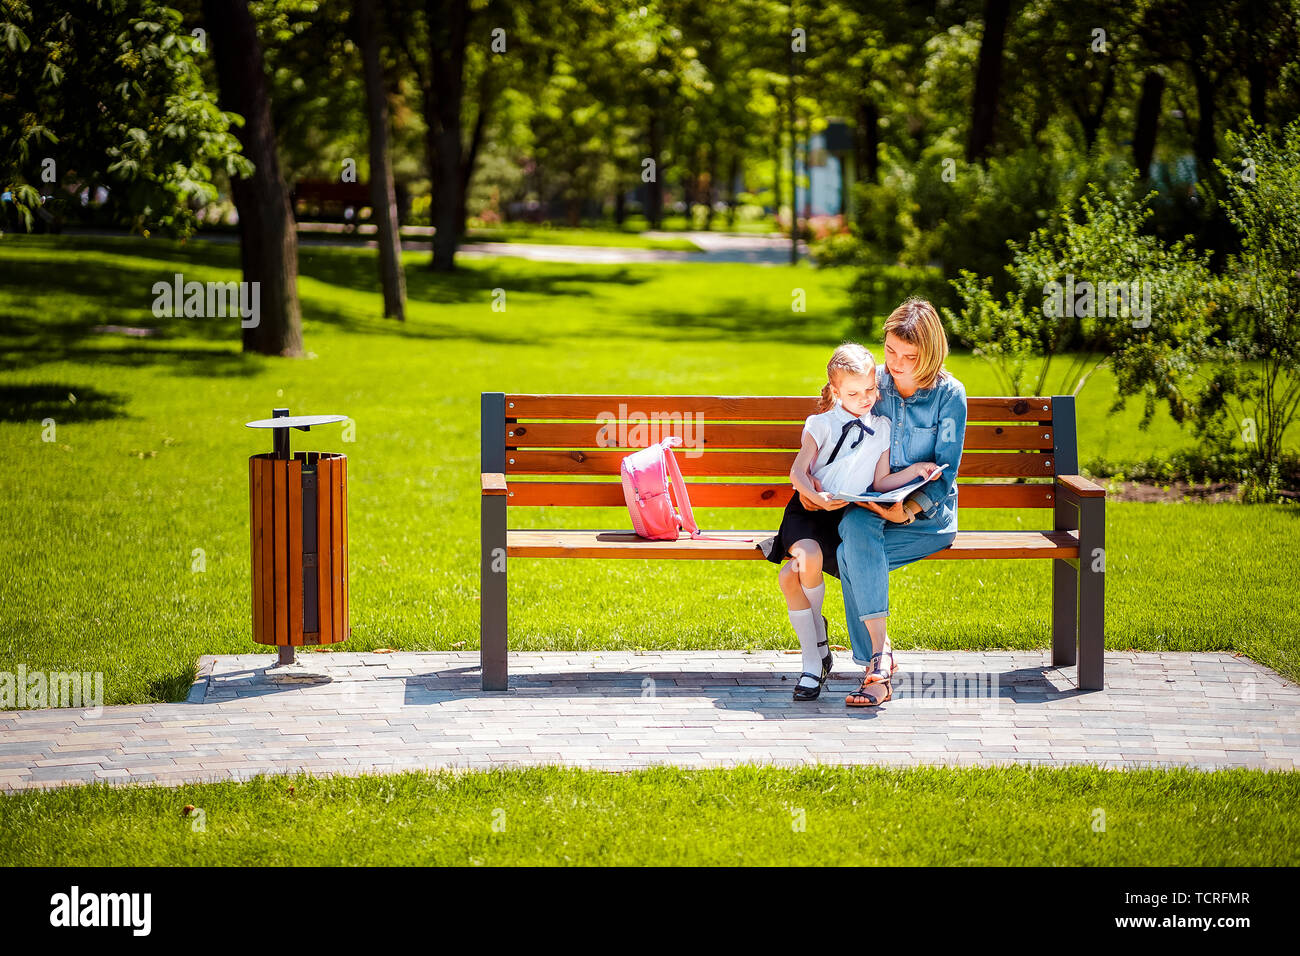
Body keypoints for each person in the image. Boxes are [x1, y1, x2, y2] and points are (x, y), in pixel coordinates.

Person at [798, 298, 967, 707]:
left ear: (930, 353)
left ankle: (876, 663)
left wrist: (908, 509)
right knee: (855, 533)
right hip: (871, 507)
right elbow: (834, 420)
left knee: (855, 556)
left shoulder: (949, 396)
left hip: (927, 517)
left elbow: (946, 470)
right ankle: (880, 660)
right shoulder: (876, 386)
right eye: (890, 350)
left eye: (910, 356)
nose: (896, 363)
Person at [759, 344, 940, 701]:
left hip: (841, 517)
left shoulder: (883, 428)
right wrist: (815, 495)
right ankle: (815, 659)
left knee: (787, 576)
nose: (865, 398)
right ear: (835, 390)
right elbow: (797, 472)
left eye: (871, 389)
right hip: (809, 512)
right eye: (854, 393)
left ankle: (817, 655)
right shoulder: (821, 424)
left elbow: (881, 481)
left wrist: (914, 472)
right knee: (807, 558)